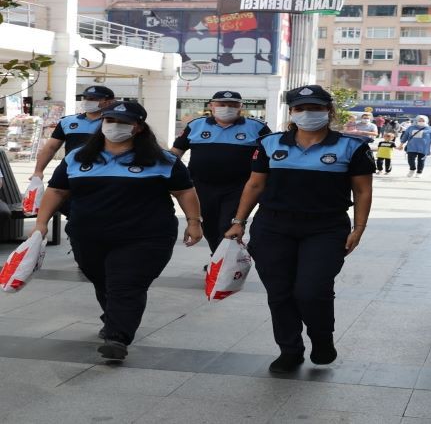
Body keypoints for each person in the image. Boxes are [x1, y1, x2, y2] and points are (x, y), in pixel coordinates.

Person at [32, 101, 203, 360]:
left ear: (138, 128)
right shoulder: (78, 157)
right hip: (88, 234)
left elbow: (184, 191)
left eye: (123, 123)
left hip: (146, 237)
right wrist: (41, 223)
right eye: (109, 121)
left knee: (125, 283)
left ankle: (117, 337)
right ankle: (114, 317)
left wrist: (193, 221)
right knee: (102, 280)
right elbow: (57, 190)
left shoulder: (162, 159)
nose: (114, 127)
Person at [224, 84, 375, 374]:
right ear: (292, 112)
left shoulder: (352, 147)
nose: (309, 113)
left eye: (316, 108)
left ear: (328, 111)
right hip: (273, 226)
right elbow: (255, 184)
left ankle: (321, 339)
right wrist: (238, 222)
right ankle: (289, 350)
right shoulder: (270, 143)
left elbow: (363, 191)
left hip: (326, 228)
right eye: (302, 108)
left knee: (312, 290)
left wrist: (359, 227)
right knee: (279, 292)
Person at [171, 91, 271, 265]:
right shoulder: (196, 125)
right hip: (201, 187)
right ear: (211, 106)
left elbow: (270, 154)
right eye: (221, 104)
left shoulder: (257, 127)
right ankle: (217, 257)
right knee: (209, 226)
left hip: (238, 188)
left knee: (227, 224)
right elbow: (176, 152)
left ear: (241, 107)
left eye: (233, 105)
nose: (227, 108)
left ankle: (222, 264)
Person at [32, 86, 116, 180]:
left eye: (93, 99)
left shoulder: (116, 124)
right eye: (85, 98)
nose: (87, 101)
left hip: (101, 171)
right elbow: (51, 147)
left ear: (109, 102)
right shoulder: (67, 122)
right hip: (69, 169)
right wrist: (38, 171)